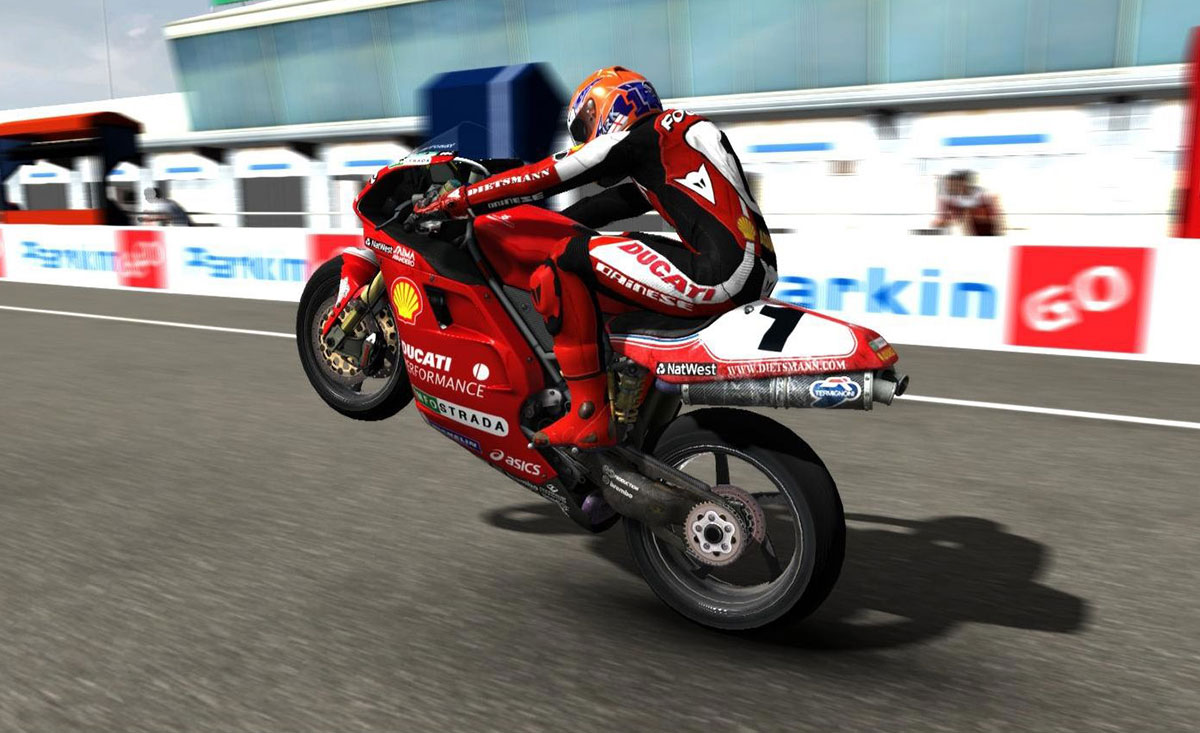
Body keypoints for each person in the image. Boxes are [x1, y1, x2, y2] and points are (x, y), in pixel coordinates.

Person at [411, 66, 777, 449]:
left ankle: (587, 413)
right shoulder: (677, 140)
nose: (586, 138)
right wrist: (534, 222)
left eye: (585, 126)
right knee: (621, 245)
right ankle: (631, 389)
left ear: (606, 104)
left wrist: (460, 200)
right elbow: (605, 205)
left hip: (723, 272)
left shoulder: (642, 135)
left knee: (565, 260)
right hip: (756, 270)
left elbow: (546, 175)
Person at [932, 170, 1003, 236]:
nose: (951, 188)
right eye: (949, 186)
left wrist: (971, 214)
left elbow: (995, 218)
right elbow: (943, 222)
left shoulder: (983, 195)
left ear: (963, 182)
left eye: (953, 185)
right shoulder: (952, 201)